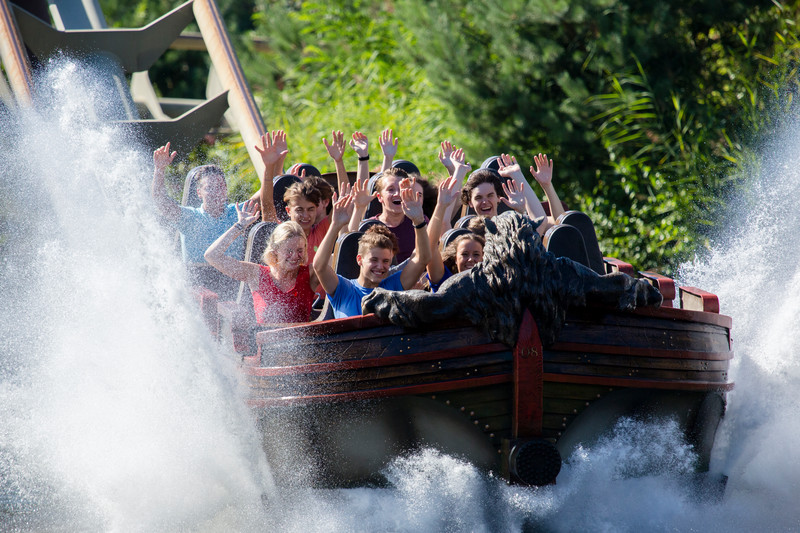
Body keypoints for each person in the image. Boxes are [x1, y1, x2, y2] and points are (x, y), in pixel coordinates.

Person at [152, 142, 266, 298]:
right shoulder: (191, 217)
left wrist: (273, 165)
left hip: (232, 281)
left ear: (226, 189)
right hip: (199, 286)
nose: (215, 192)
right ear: (199, 192)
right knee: (208, 299)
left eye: (219, 187)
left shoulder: (237, 212)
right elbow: (161, 202)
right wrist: (160, 170)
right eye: (209, 188)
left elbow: (265, 193)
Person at [313, 183, 432, 319]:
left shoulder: (393, 286)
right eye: (374, 260)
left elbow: (423, 259)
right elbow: (319, 267)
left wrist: (418, 220)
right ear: (360, 260)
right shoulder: (343, 289)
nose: (380, 266)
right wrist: (335, 225)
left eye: (385, 261)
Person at [204, 206, 319, 324]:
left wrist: (336, 225)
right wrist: (240, 225)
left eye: (299, 250)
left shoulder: (311, 273)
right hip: (263, 341)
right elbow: (212, 256)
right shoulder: (256, 274)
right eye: (289, 251)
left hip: (301, 342)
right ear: (275, 250)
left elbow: (335, 261)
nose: (295, 256)